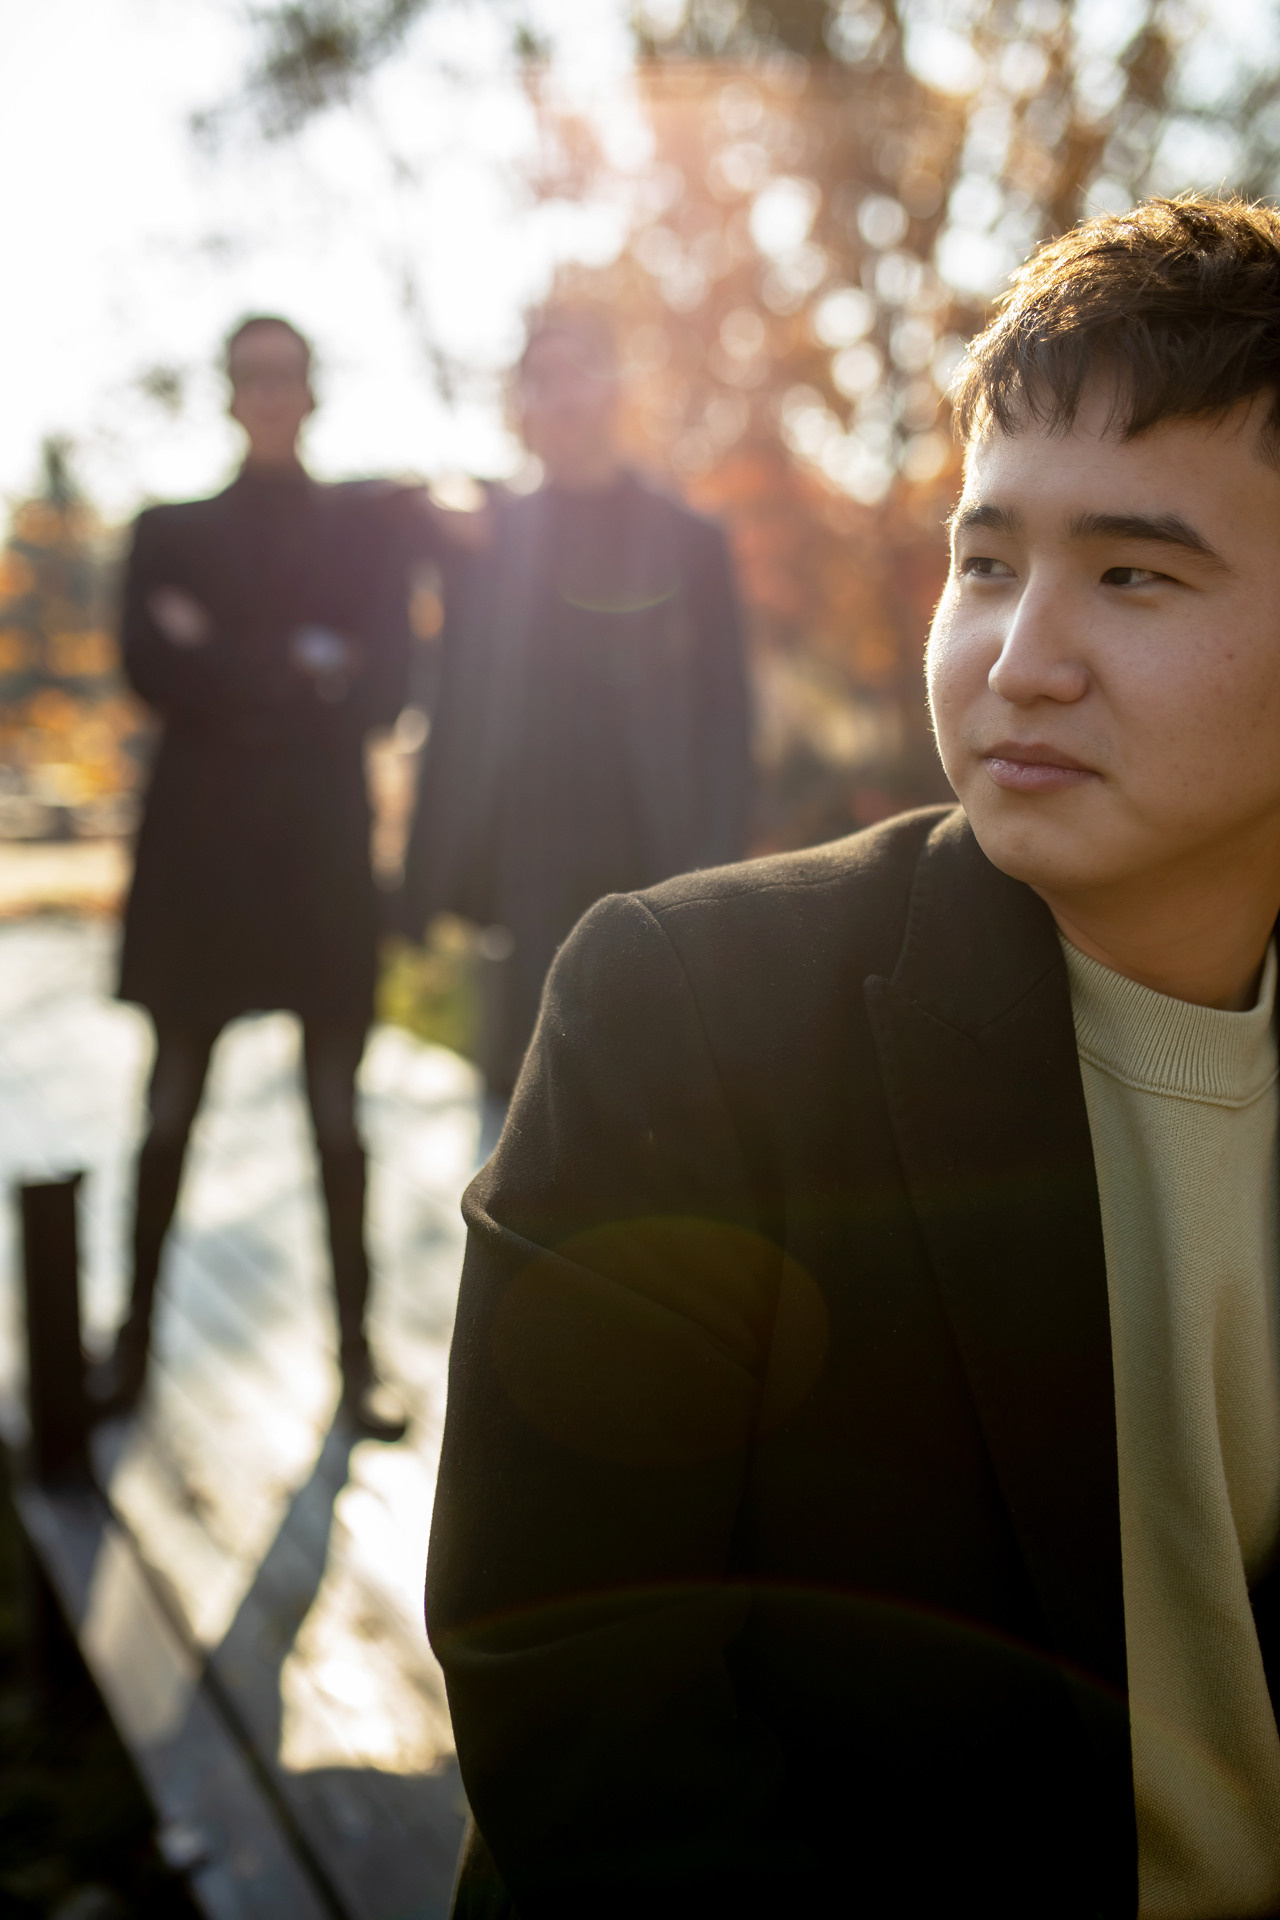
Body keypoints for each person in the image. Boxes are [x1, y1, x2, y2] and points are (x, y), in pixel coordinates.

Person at [426, 195, 1280, 1918]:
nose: (1019, 663)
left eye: (1133, 573)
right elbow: (581, 1700)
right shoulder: (687, 1015)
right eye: (987, 562)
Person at [96, 315, 411, 1440]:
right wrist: (306, 660)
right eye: (251, 376)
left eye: (286, 375)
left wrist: (221, 655)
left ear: (311, 391)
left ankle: (358, 1361)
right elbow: (145, 666)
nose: (270, 393)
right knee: (168, 1111)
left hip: (319, 867)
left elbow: (386, 691)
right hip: (200, 870)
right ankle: (129, 1347)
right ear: (229, 394)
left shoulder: (368, 533)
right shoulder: (167, 531)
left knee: (337, 1120)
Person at [399, 310, 754, 1099]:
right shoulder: (491, 534)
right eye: (540, 380)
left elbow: (728, 716)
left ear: (615, 389)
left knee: (650, 1094)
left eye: (577, 373)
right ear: (522, 405)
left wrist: (718, 862)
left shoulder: (689, 540)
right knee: (522, 1097)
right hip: (526, 859)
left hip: (652, 849)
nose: (561, 396)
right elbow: (373, 515)